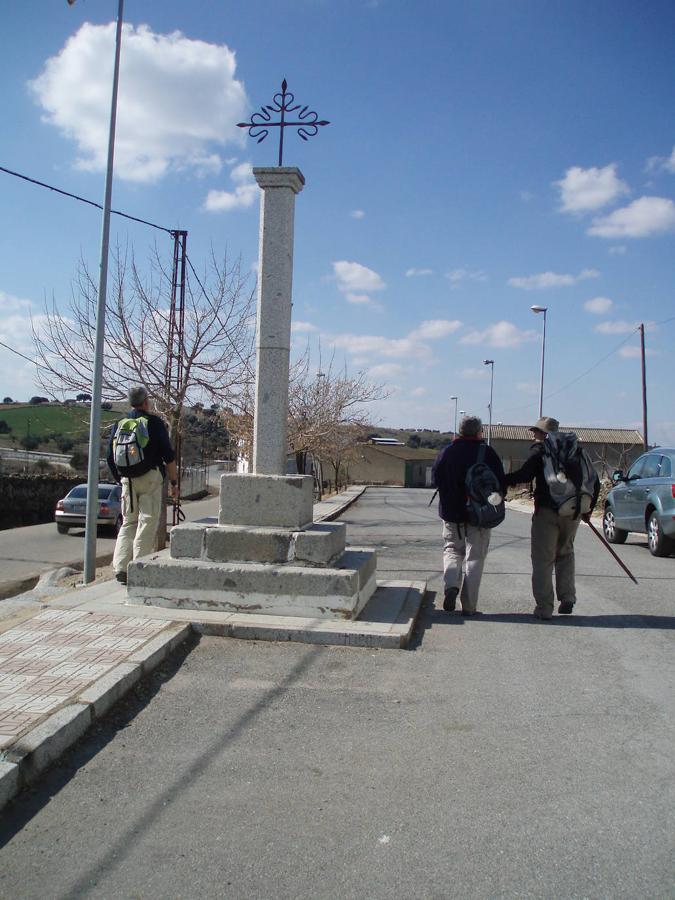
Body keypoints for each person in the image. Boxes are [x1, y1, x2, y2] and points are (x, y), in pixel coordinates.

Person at [504, 416, 600, 620]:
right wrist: (587, 509)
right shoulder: (577, 450)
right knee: (565, 553)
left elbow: (525, 476)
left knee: (543, 560)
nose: (534, 435)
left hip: (547, 512)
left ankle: (544, 608)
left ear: (543, 433)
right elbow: (594, 480)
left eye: (536, 431)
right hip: (572, 510)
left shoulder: (540, 450)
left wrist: (502, 479)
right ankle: (568, 597)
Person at [432, 415, 506, 616]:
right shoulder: (487, 453)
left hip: (452, 513)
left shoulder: (447, 452)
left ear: (460, 431)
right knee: (475, 558)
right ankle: (469, 606)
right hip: (480, 514)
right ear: (479, 431)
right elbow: (500, 483)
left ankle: (451, 587)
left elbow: (435, 479)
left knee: (452, 550)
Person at [107, 386, 179, 585]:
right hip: (150, 479)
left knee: (129, 522)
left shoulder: (119, 423)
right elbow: (169, 456)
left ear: (130, 403)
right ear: (146, 402)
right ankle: (139, 567)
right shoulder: (154, 423)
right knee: (147, 521)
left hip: (127, 481)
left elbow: (109, 457)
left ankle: (121, 567)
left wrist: (121, 478)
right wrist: (174, 482)